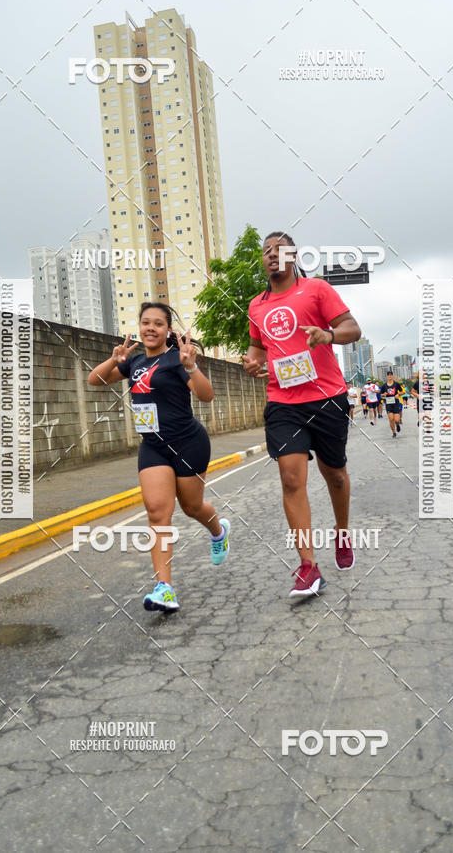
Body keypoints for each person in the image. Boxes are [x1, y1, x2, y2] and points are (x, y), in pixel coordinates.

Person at [88, 302, 230, 613]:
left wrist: (191, 366)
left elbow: (206, 395)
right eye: (145, 323)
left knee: (192, 507)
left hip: (188, 443)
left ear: (168, 330)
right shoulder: (133, 362)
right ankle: (164, 588)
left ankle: (218, 531)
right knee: (157, 513)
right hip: (153, 445)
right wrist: (113, 360)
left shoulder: (177, 359)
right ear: (139, 328)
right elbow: (94, 381)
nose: (150, 328)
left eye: (157, 324)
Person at [242, 231, 361, 599]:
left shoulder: (317, 290)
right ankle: (308, 567)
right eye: (266, 252)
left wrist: (327, 336)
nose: (272, 256)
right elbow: (257, 350)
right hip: (283, 402)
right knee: (291, 477)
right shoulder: (256, 306)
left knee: (335, 475)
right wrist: (252, 363)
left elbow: (352, 328)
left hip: (326, 397)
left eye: (280, 251)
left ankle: (341, 531)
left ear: (294, 257)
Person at [381, 371, 404, 438]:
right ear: (387, 377)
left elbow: (403, 392)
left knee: (396, 420)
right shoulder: (384, 385)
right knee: (391, 419)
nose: (390, 376)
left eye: (391, 375)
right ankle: (394, 432)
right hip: (388, 404)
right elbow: (381, 394)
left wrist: (398, 394)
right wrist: (384, 394)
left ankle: (397, 424)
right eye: (388, 375)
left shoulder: (396, 384)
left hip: (396, 403)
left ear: (393, 376)